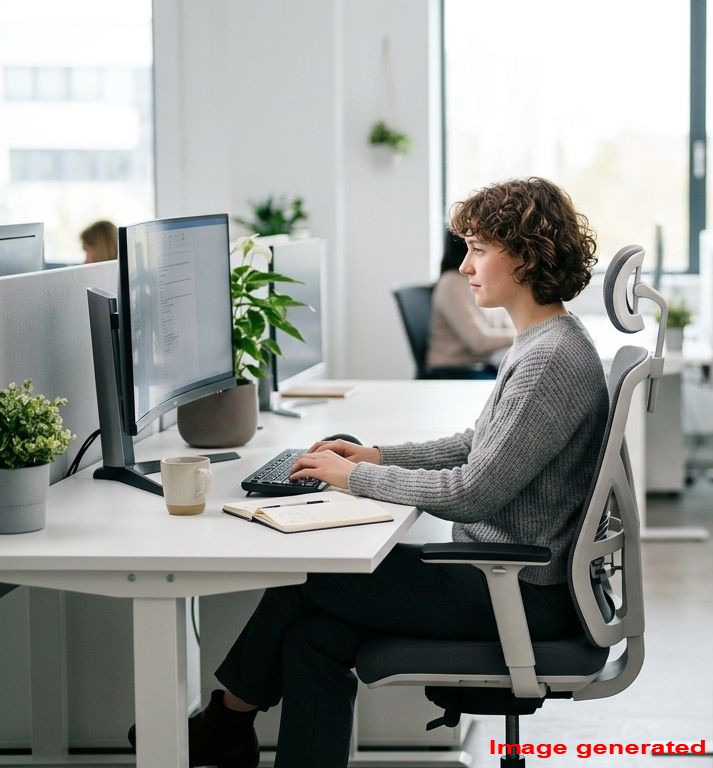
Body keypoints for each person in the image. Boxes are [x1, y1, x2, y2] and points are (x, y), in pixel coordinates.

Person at [139, 177, 608, 767]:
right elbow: (479, 445)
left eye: (480, 249)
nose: (464, 266)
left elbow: (473, 492)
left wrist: (348, 479)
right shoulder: (544, 341)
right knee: (314, 638)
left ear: (526, 254)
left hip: (517, 589)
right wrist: (377, 457)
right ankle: (229, 722)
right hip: (506, 576)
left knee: (308, 579)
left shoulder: (549, 359)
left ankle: (226, 720)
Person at [427, 226, 516, 377]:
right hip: (453, 371)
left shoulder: (486, 281)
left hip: (484, 366)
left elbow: (506, 322)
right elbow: (478, 342)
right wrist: (523, 335)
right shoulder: (451, 283)